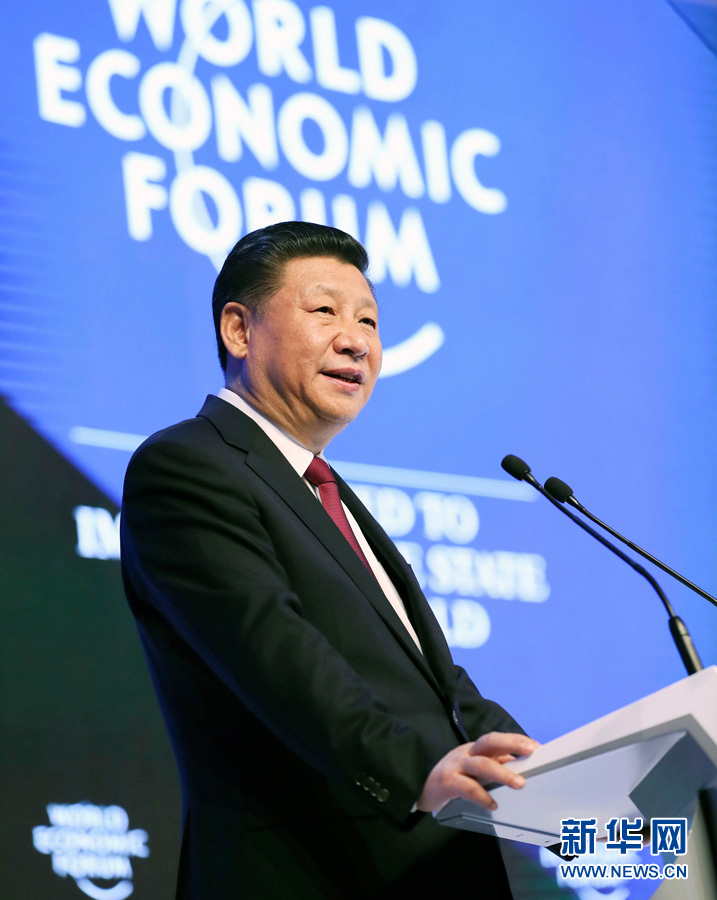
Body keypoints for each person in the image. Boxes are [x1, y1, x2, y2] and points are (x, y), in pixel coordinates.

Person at [120, 221, 537, 899]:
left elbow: (436, 689)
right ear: (238, 330)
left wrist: (552, 779)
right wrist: (416, 772)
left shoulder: (324, 491)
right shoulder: (187, 465)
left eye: (368, 319)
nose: (356, 340)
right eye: (324, 311)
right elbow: (274, 652)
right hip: (303, 874)